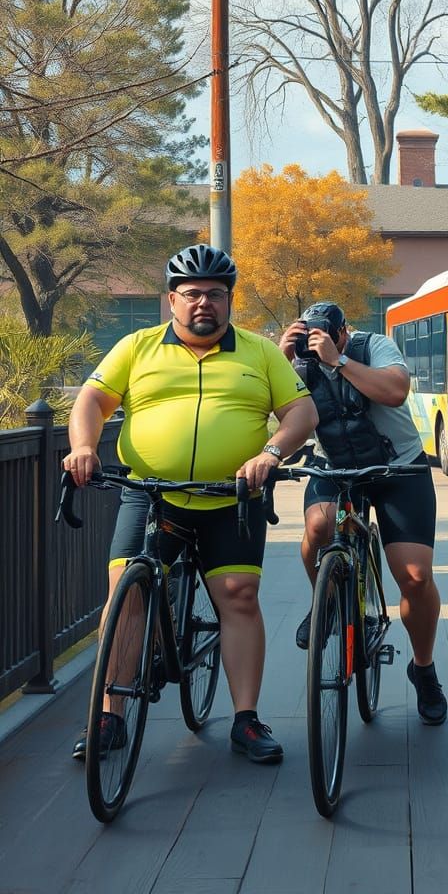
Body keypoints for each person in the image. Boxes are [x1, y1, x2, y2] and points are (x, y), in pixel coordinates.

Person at [63, 244, 318, 763]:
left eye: (217, 295)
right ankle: (111, 715)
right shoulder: (137, 347)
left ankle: (245, 719)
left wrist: (270, 453)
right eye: (194, 294)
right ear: (172, 300)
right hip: (152, 495)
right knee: (125, 597)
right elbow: (92, 399)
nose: (205, 303)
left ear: (229, 301)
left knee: (240, 596)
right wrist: (84, 447)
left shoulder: (260, 352)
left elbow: (302, 413)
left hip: (232, 498)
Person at [279, 302, 447, 725]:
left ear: (343, 331)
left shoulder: (374, 346)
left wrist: (340, 361)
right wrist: (280, 361)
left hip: (398, 467)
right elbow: (268, 410)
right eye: (310, 337)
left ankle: (423, 668)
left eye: (327, 336)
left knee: (414, 576)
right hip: (335, 466)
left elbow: (395, 390)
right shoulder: (297, 362)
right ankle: (327, 600)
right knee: (318, 527)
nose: (317, 345)